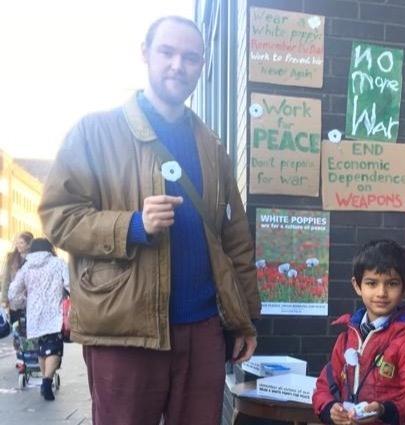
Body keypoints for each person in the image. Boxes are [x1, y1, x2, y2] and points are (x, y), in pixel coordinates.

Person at [38, 16, 260, 425]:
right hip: (125, 330)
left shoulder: (212, 146)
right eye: (168, 52)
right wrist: (133, 225)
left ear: (202, 66)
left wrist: (244, 318)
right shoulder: (95, 132)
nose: (179, 65)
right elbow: (59, 218)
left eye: (191, 57)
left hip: (202, 330)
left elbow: (235, 239)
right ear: (145, 53)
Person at [313, 240, 405, 425]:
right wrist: (330, 409)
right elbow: (325, 385)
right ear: (357, 286)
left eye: (392, 284)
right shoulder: (347, 337)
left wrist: (383, 411)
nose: (381, 292)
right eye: (372, 283)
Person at [8, 238, 69, 401]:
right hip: (54, 314)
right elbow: (70, 284)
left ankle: (45, 381)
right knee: (54, 348)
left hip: (34, 316)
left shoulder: (26, 267)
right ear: (49, 248)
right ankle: (47, 382)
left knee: (42, 349)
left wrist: (24, 302)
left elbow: (13, 292)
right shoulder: (58, 263)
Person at [1, 231, 33, 323]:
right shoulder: (11, 258)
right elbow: (6, 280)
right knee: (15, 327)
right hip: (14, 300)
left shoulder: (34, 259)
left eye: (21, 243)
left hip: (30, 301)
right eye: (17, 242)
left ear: (28, 245)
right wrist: (4, 299)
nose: (18, 245)